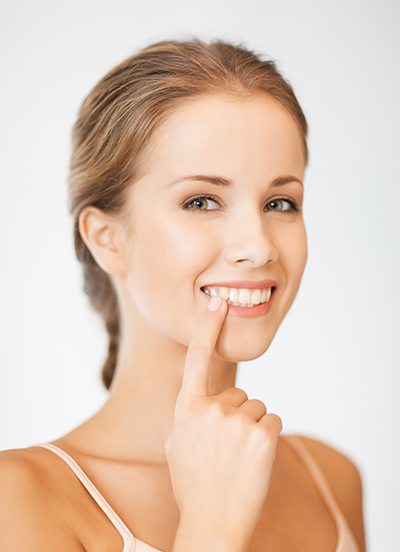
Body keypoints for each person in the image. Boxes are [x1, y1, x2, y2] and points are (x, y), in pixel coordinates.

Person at [0, 39, 365, 552]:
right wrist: (212, 527)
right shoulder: (18, 500)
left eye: (280, 202)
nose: (258, 247)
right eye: (201, 201)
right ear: (107, 238)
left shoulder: (331, 479)